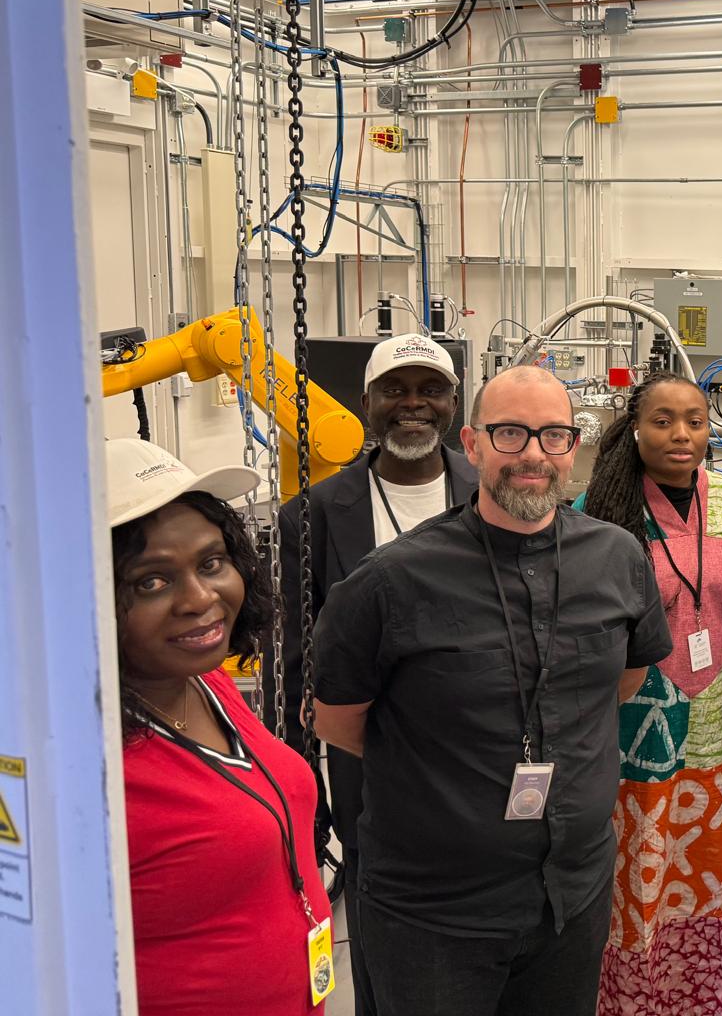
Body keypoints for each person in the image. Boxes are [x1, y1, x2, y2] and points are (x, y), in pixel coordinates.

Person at [310, 365, 673, 1016]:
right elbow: (339, 723)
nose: (533, 455)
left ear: (573, 448)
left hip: (571, 898)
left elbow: (623, 680)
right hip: (433, 915)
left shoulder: (618, 561)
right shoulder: (390, 583)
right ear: (472, 446)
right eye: (511, 434)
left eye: (553, 436)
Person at [275, 332, 475, 1016]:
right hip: (367, 751)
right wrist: (302, 782)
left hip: (482, 747)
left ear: (453, 402)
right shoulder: (314, 516)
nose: (412, 405)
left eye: (429, 390)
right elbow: (298, 660)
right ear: (366, 403)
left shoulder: (491, 495)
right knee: (377, 902)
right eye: (395, 390)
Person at [107, 437, 334, 1016]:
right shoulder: (89, 765)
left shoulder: (207, 684)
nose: (200, 598)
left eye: (211, 563)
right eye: (151, 581)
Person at [575, 372, 722, 1016]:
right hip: (632, 733)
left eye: (696, 421)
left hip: (715, 732)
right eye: (664, 420)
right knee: (633, 880)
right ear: (636, 427)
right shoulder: (604, 505)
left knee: (706, 879)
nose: (682, 435)